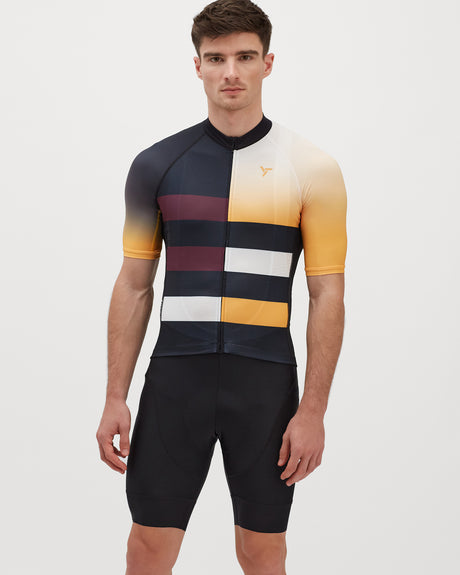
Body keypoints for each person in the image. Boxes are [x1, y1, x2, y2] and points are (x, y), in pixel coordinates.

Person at [96, 0, 347, 573]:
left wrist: (313, 410)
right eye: (216, 58)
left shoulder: (313, 169)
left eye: (245, 57)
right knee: (147, 546)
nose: (230, 72)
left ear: (267, 63)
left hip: (264, 383)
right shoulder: (156, 165)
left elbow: (326, 295)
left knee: (262, 549)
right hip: (176, 379)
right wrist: (114, 396)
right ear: (198, 66)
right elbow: (134, 285)